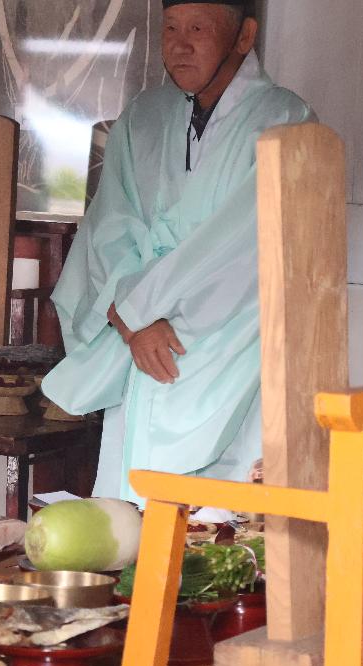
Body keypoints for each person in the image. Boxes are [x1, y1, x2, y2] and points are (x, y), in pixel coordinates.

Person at [42, 0, 314, 514]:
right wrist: (133, 322)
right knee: (132, 521)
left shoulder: (284, 120)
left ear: (243, 36)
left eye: (198, 28)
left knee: (221, 527)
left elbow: (244, 246)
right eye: (170, 27)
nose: (179, 43)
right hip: (142, 343)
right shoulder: (143, 118)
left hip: (229, 343)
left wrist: (147, 310)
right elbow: (109, 229)